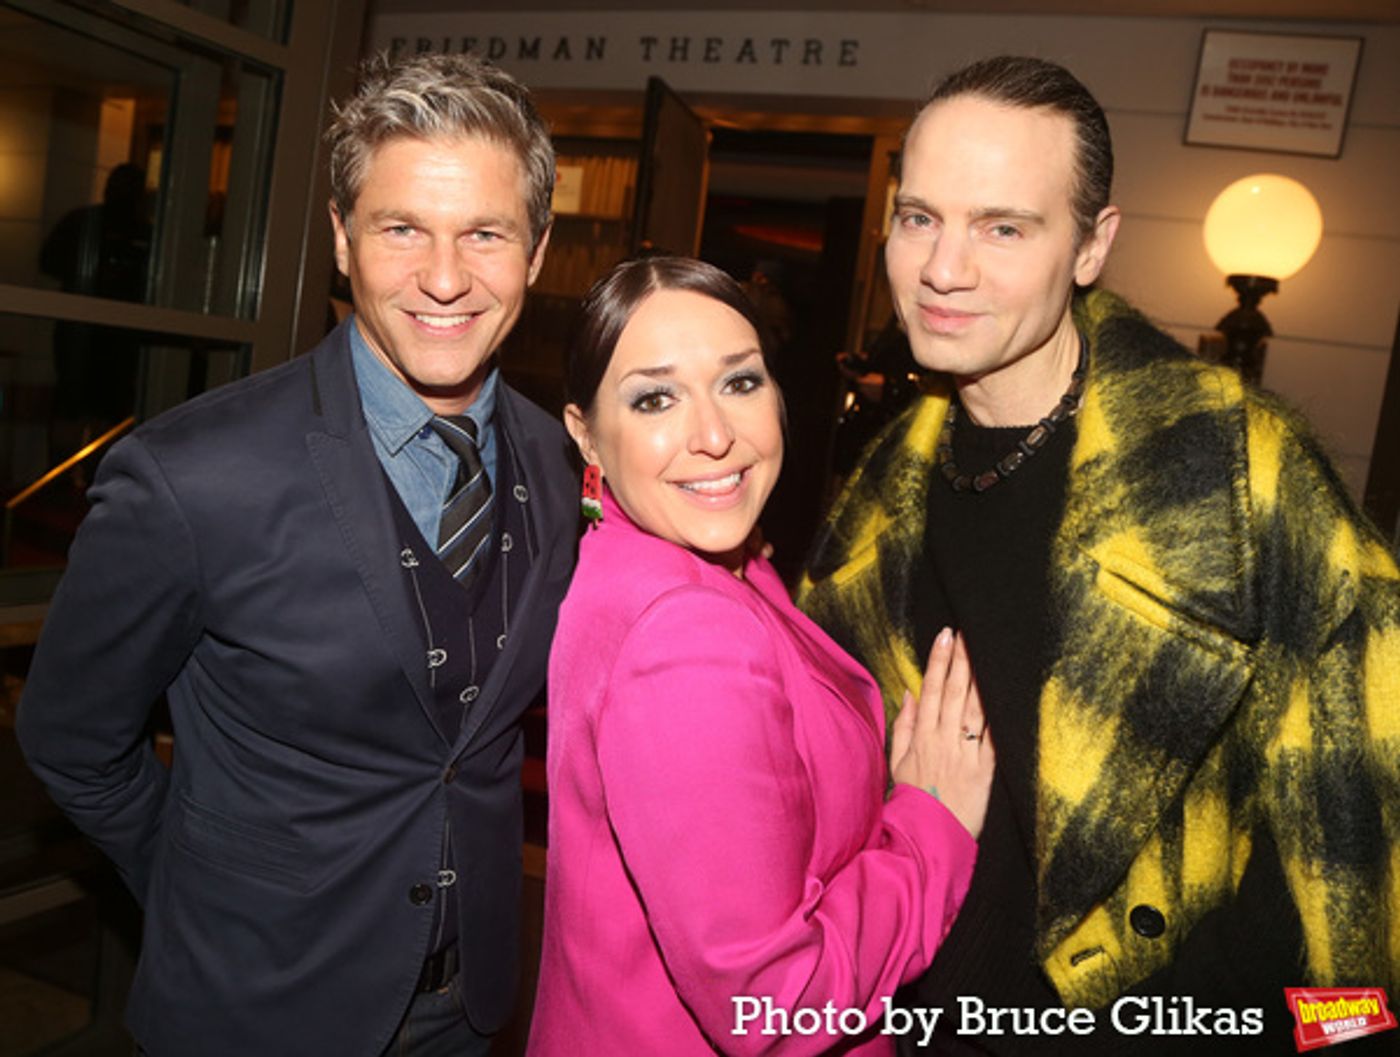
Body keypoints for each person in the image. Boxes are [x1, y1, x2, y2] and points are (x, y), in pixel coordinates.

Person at [799, 56, 1400, 1055]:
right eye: (919, 218)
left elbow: (1354, 856)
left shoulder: (1240, 475)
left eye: (1002, 227)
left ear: (1090, 246)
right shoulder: (873, 497)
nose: (943, 268)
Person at [17, 53, 577, 1057]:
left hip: (470, 1008)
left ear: (536, 251)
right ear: (340, 238)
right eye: (401, 227)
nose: (444, 278)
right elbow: (70, 738)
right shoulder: (192, 474)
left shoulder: (552, 453)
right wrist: (210, 896)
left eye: (483, 234)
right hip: (252, 1013)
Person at [526, 255, 994, 1056]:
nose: (715, 436)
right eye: (655, 398)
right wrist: (931, 824)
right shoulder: (683, 637)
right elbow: (774, 1005)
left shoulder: (661, 561)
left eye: (739, 383)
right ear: (584, 431)